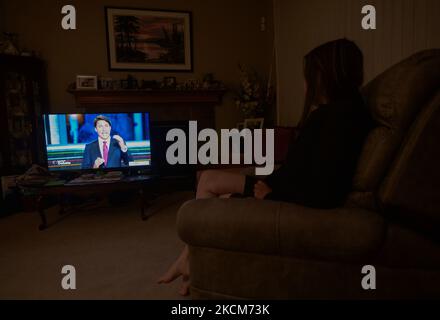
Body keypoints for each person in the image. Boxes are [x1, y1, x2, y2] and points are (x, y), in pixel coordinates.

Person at [157, 39, 374, 296]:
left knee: (210, 183)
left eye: (309, 77)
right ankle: (191, 264)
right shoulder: (346, 113)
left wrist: (269, 195)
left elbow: (324, 191)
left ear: (326, 76)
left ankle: (188, 263)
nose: (305, 85)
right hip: (279, 184)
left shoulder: (335, 118)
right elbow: (310, 169)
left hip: (279, 192)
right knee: (215, 188)